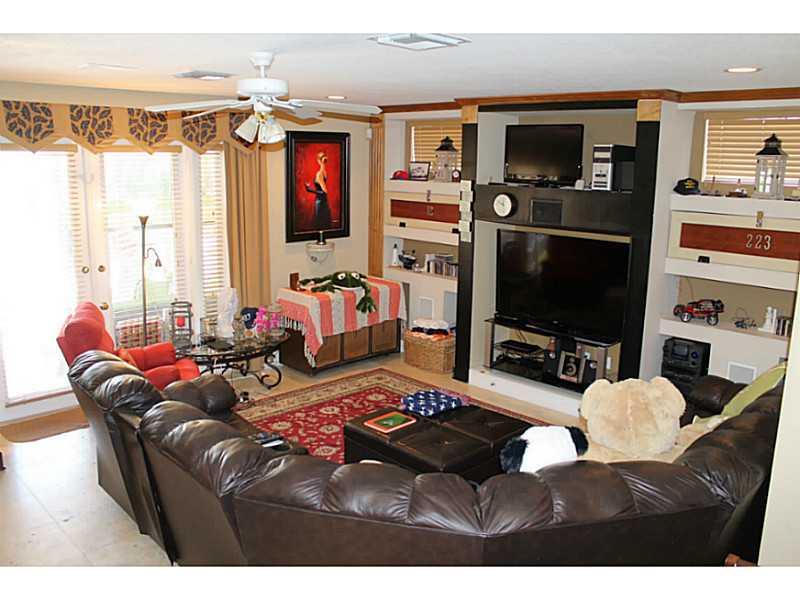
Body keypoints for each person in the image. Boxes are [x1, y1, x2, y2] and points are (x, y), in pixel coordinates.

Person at [305, 151, 332, 230]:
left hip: (320, 202)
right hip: (324, 202)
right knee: (324, 224)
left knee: (320, 225)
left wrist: (309, 190)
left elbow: (324, 192)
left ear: (318, 161)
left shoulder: (319, 174)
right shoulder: (324, 172)